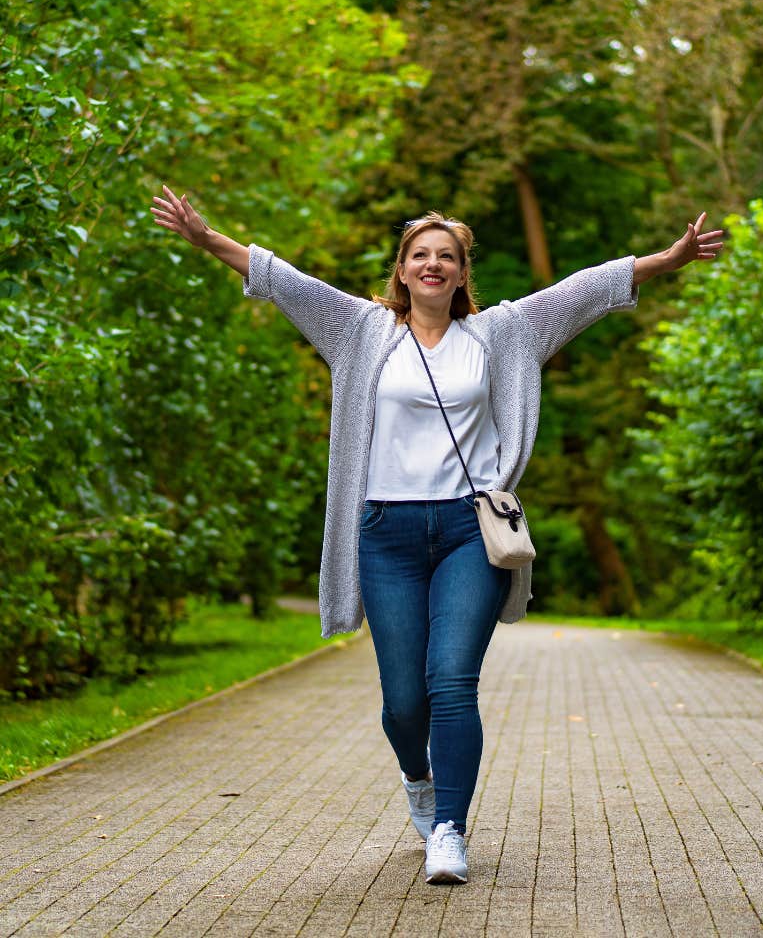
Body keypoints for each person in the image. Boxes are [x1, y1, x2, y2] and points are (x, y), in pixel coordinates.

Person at [150, 185, 723, 884]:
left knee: (451, 680)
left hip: (466, 532)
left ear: (460, 272)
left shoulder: (502, 332)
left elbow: (583, 291)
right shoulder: (360, 330)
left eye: (445, 256)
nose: (432, 265)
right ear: (401, 270)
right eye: (419, 255)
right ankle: (417, 778)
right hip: (385, 531)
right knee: (403, 701)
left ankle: (448, 829)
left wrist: (668, 259)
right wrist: (207, 238)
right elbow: (283, 281)